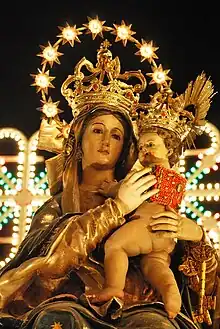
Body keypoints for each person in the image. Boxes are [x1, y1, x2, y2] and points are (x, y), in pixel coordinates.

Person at [0, 33, 218, 329]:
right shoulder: (58, 205)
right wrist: (117, 207)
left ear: (126, 144)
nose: (106, 142)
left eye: (116, 135)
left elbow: (193, 276)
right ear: (78, 137)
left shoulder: (145, 193)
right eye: (97, 131)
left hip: (140, 303)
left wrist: (194, 236)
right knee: (58, 320)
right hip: (73, 301)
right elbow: (49, 262)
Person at [90, 126, 188, 320]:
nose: (144, 150)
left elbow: (127, 188)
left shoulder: (151, 172)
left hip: (146, 225)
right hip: (166, 237)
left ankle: (114, 288)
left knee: (115, 246)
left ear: (168, 150)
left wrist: (111, 189)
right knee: (155, 265)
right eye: (141, 147)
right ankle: (171, 296)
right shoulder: (177, 179)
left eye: (151, 145)